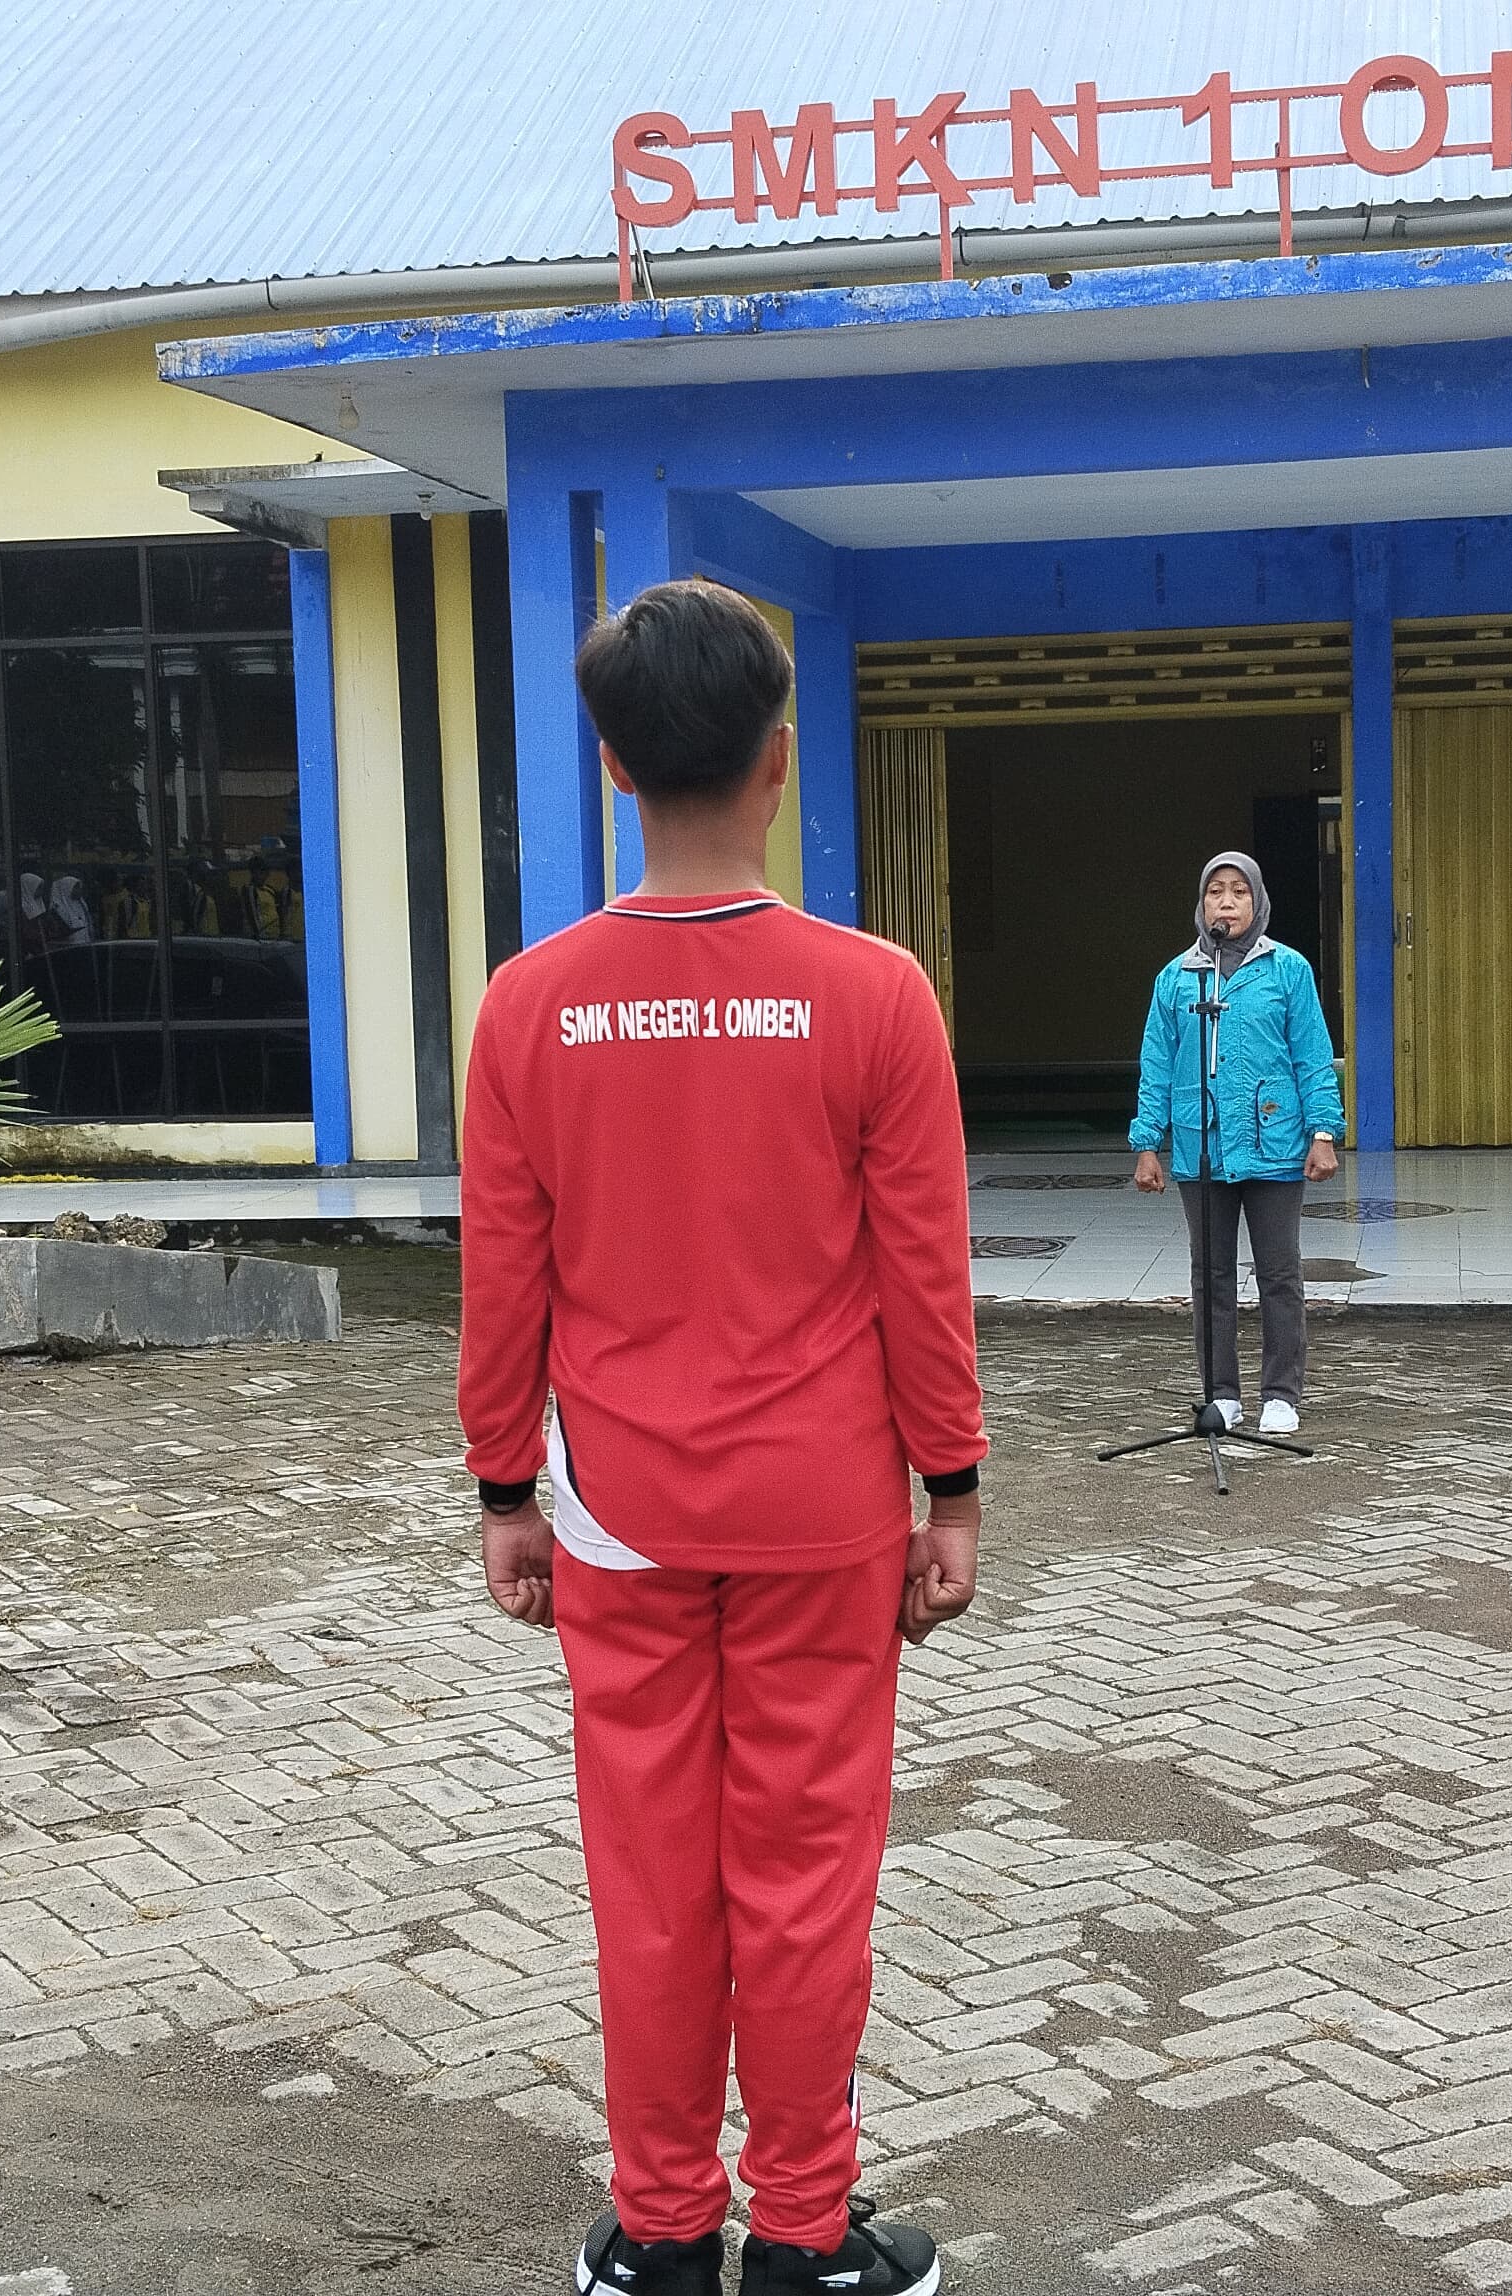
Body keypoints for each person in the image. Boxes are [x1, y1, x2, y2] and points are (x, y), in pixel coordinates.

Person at [461, 577, 981, 2296]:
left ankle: (665, 2232)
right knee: (807, 1879)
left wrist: (506, 1490)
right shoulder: (875, 996)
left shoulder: (529, 1006)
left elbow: (502, 1279)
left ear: (614, 769)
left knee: (655, 1883)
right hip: (826, 1511)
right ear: (779, 761)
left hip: (618, 1513)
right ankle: (808, 2238)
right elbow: (922, 1273)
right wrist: (954, 1489)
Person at [1129, 851, 1343, 1437]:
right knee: (1210, 1274)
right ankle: (1221, 1394)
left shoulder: (1287, 969)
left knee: (1279, 1272)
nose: (1226, 902)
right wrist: (1147, 1142)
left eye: (1239, 892)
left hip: (1275, 1143)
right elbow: (1157, 1064)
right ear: (1201, 903)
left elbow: (1312, 1055)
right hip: (1201, 1146)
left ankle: (1281, 1393)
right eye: (1215, 891)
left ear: (1257, 901)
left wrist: (1324, 1132)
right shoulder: (1178, 978)